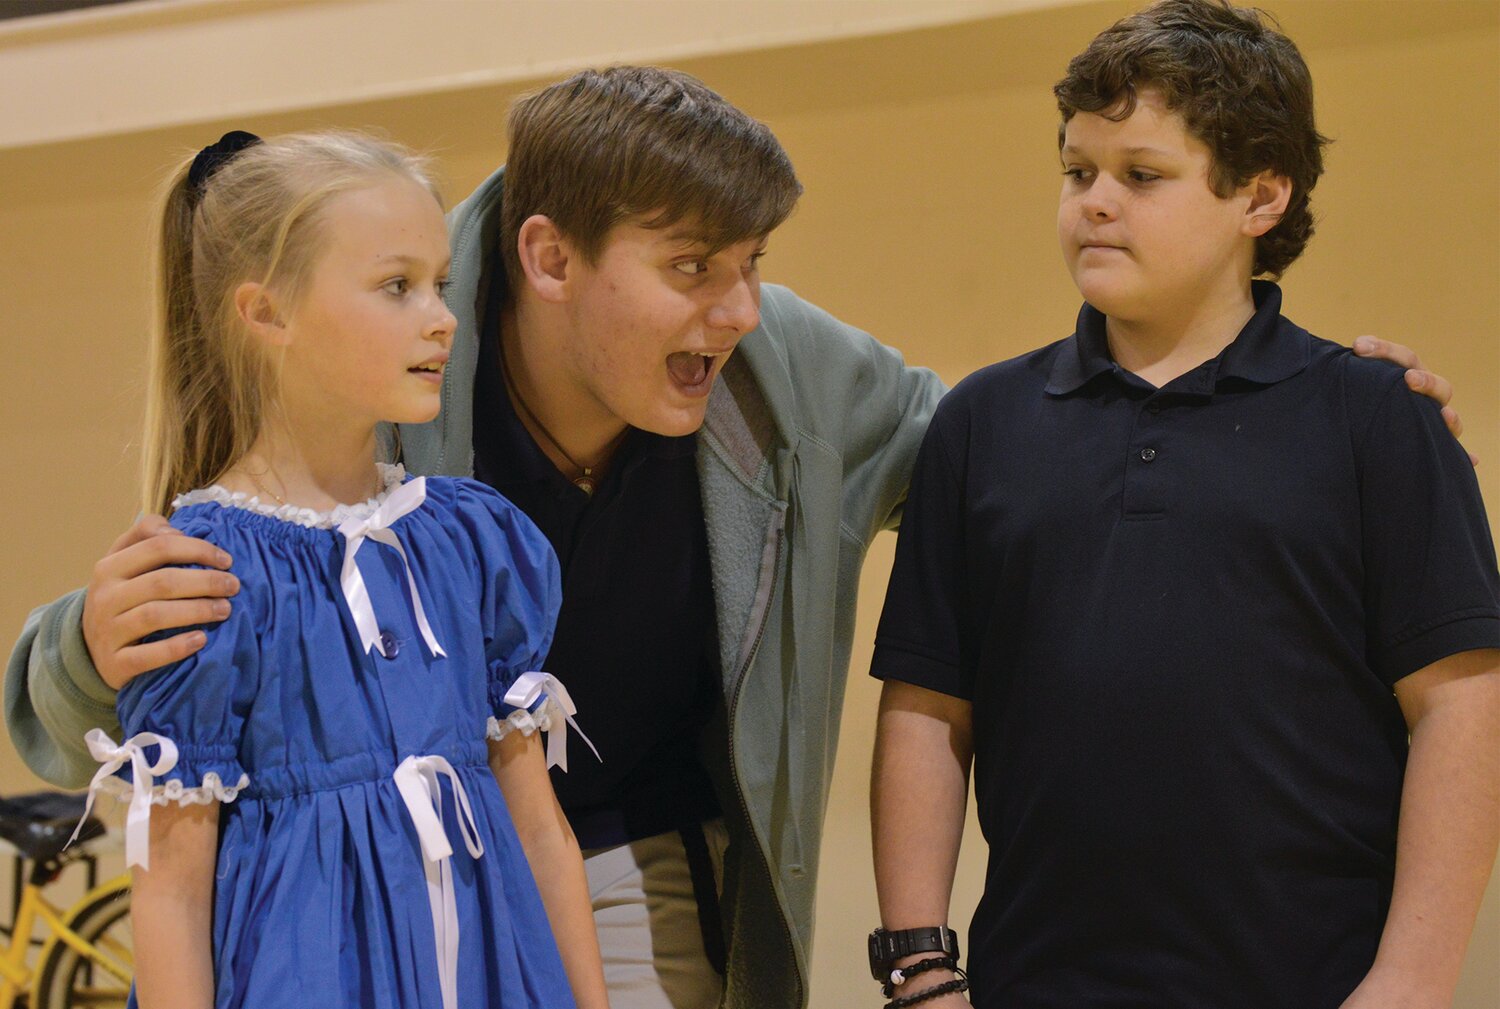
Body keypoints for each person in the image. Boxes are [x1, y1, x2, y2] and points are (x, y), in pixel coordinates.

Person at [5, 67, 1464, 1009]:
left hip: (632, 879)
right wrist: (76, 647)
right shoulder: (370, 322)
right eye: (696, 270)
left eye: (755, 267)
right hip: (342, 913)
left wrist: (1301, 409)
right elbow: (155, 662)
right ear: (547, 260)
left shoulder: (789, 370)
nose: (740, 312)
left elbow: (1024, 458)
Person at [868, 3, 1500, 1008]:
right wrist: (920, 967)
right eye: (1078, 171)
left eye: (1142, 174)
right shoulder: (982, 421)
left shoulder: (1378, 418)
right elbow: (928, 707)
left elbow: (1463, 706)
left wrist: (1412, 982)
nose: (1096, 202)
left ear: (1261, 195)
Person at [77, 130, 609, 1009]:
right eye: (397, 286)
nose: (442, 316)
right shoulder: (201, 576)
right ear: (267, 313)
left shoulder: (470, 541)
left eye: (440, 284)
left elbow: (540, 830)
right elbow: (170, 884)